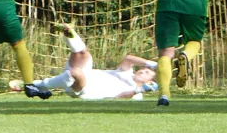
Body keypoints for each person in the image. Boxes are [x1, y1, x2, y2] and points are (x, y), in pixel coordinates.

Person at [19, 24, 158, 100]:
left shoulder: (136, 93)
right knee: (84, 55)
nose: (142, 70)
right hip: (85, 73)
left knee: (76, 72)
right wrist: (152, 64)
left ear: (149, 82)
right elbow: (128, 58)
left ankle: (38, 84)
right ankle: (69, 34)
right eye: (144, 69)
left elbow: (120, 97)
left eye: (147, 73)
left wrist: (139, 89)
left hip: (84, 89)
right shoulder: (126, 73)